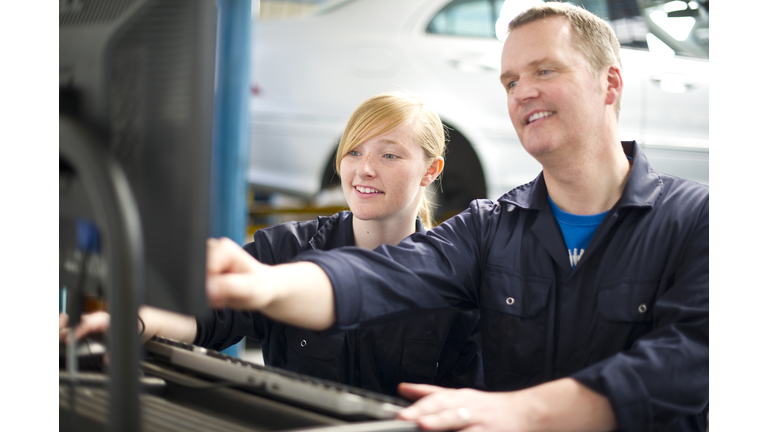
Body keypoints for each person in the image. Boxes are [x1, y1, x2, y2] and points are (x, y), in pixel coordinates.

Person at [203, 3, 709, 432]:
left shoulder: (701, 220)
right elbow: (387, 274)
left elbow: (693, 360)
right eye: (510, 80)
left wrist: (523, 410)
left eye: (544, 71)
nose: (521, 92)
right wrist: (266, 286)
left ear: (610, 84)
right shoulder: (490, 227)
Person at [60, 91, 485, 396]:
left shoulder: (451, 277)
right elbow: (206, 320)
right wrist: (133, 324)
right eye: (353, 152)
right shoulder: (284, 249)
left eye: (389, 155)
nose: (364, 170)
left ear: (431, 170)